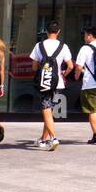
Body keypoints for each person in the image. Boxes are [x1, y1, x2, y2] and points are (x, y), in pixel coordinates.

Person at [29, 21, 73, 152]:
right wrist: (63, 74)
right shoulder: (63, 46)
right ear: (58, 31)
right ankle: (42, 139)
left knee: (46, 109)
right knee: (48, 110)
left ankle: (53, 138)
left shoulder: (39, 45)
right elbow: (70, 65)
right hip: (57, 82)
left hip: (44, 82)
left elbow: (34, 66)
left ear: (46, 32)